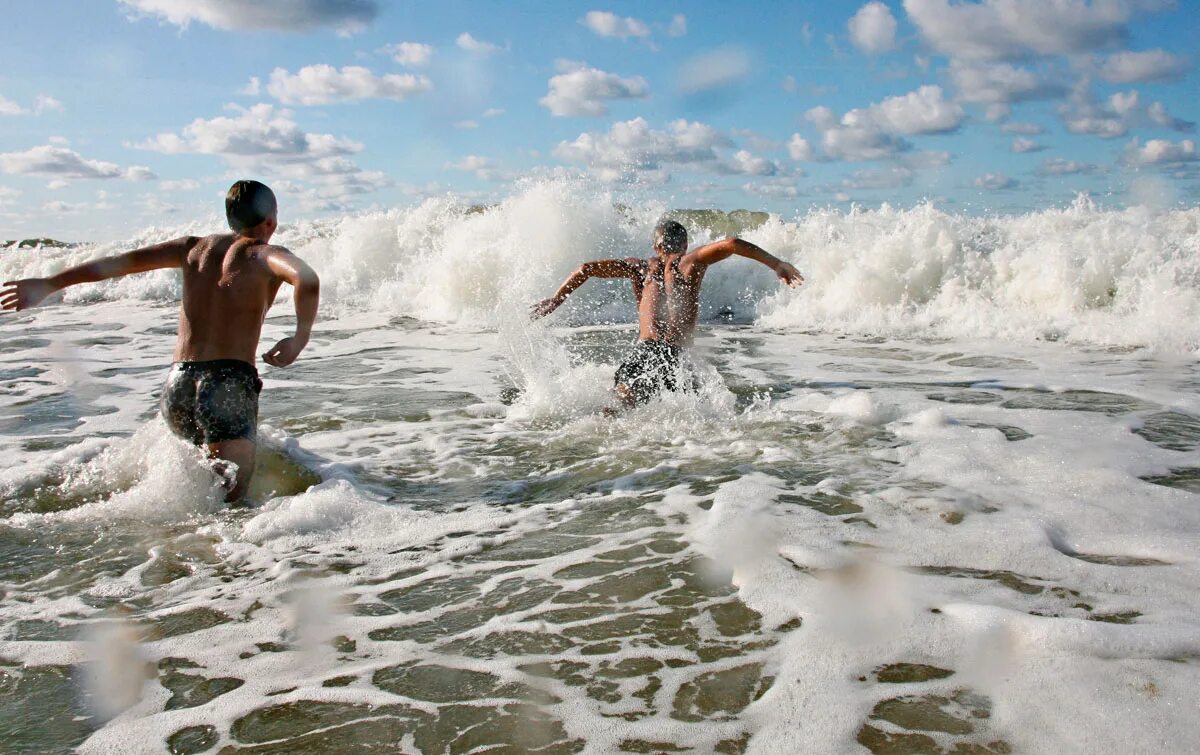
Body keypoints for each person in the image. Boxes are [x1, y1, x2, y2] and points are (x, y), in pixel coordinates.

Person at [1, 180, 319, 501]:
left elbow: (118, 264)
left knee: (195, 495)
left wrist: (49, 283)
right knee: (230, 505)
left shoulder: (192, 248)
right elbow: (306, 278)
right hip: (227, 382)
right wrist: (299, 337)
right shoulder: (265, 254)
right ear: (271, 221)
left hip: (177, 385)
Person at [531, 218, 802, 407]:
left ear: (655, 247)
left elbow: (585, 269)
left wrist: (556, 300)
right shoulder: (689, 262)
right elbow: (731, 242)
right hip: (676, 357)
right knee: (695, 413)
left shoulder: (639, 268)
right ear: (684, 244)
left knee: (622, 404)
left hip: (644, 351)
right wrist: (777, 264)